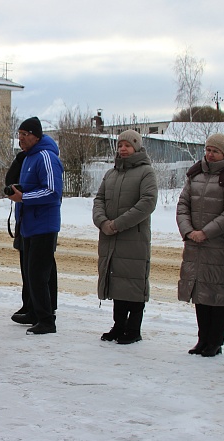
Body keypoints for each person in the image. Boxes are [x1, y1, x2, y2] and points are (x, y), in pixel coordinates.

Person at [177, 133, 224, 357]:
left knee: (216, 293)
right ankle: (202, 339)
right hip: (194, 243)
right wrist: (188, 231)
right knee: (199, 292)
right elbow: (183, 204)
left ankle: (215, 341)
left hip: (218, 244)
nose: (209, 154)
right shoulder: (195, 173)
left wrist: (206, 233)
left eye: (215, 151)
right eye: (207, 149)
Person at [93, 130, 158, 344]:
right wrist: (103, 222)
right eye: (120, 145)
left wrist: (118, 224)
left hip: (134, 237)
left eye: (128, 145)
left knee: (134, 283)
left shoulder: (146, 172)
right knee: (117, 282)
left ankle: (133, 329)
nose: (123, 149)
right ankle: (118, 325)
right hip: (110, 237)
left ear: (137, 147)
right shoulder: (112, 173)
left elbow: (147, 202)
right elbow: (99, 199)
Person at [7, 116, 63, 335]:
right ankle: (33, 311)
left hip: (44, 225)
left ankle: (47, 320)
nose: (20, 139)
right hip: (29, 224)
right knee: (29, 273)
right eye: (19, 135)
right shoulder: (28, 157)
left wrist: (24, 197)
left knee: (39, 274)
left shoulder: (46, 157)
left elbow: (52, 191)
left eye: (25, 135)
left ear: (35, 136)